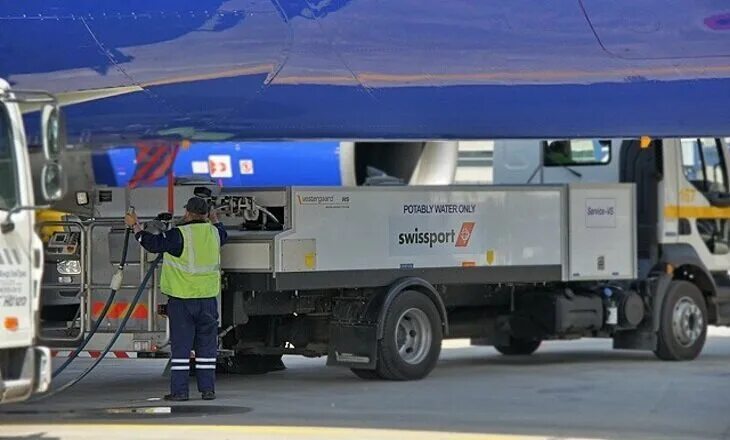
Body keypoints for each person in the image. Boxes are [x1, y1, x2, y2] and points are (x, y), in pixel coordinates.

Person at [124, 197, 227, 401]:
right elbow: (222, 232)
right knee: (206, 348)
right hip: (207, 300)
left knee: (181, 347)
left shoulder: (179, 234)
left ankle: (180, 392)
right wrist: (215, 219)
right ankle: (208, 390)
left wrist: (134, 226)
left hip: (182, 300)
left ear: (188, 213)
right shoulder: (215, 234)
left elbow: (152, 244)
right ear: (207, 214)